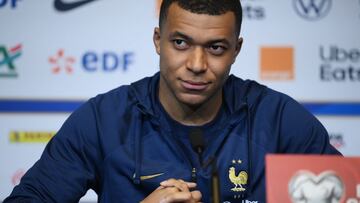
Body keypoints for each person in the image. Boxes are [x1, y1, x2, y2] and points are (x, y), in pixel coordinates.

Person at [5, 0, 341, 202]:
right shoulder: (102, 120)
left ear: (236, 50)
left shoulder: (280, 120)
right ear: (158, 40)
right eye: (180, 43)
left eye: (215, 48)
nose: (196, 64)